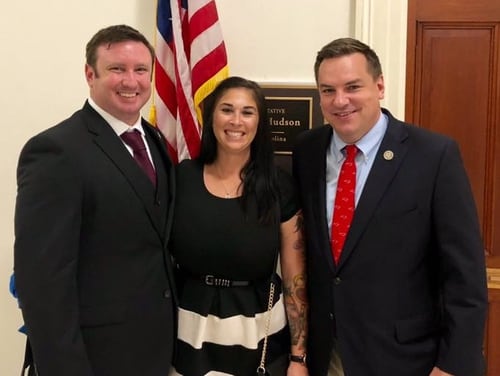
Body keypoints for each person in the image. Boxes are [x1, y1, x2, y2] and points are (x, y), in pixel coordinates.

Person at [292, 37, 488, 376]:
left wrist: (454, 363)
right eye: (327, 90)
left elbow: (465, 275)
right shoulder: (307, 151)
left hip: (408, 359)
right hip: (329, 356)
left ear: (380, 85)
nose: (340, 101)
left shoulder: (433, 156)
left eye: (353, 86)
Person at [14, 24, 176, 376]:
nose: (130, 82)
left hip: (155, 350)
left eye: (140, 70)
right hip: (93, 357)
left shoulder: (154, 140)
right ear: (90, 74)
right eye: (117, 69)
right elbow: (42, 281)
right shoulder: (56, 151)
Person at [168, 76, 309, 376]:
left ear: (260, 122)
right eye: (227, 109)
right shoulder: (182, 179)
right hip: (189, 322)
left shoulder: (279, 186)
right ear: (211, 116)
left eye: (247, 112)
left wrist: (299, 358)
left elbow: (295, 278)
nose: (236, 121)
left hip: (257, 327)